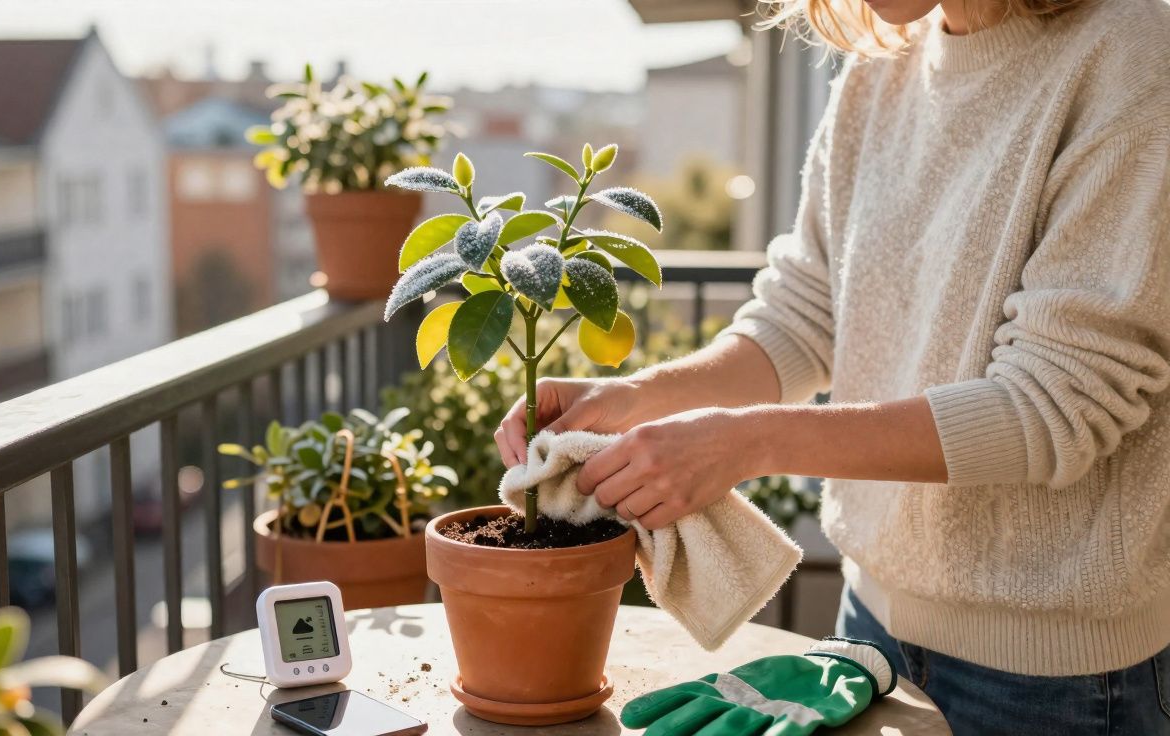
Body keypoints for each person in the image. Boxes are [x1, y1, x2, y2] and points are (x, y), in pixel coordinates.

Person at [494, 0, 1170, 732]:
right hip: (865, 629)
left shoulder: (1135, 54)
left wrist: (743, 443)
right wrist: (638, 396)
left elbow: (1052, 408)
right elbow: (805, 317)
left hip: (1053, 678)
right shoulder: (881, 70)